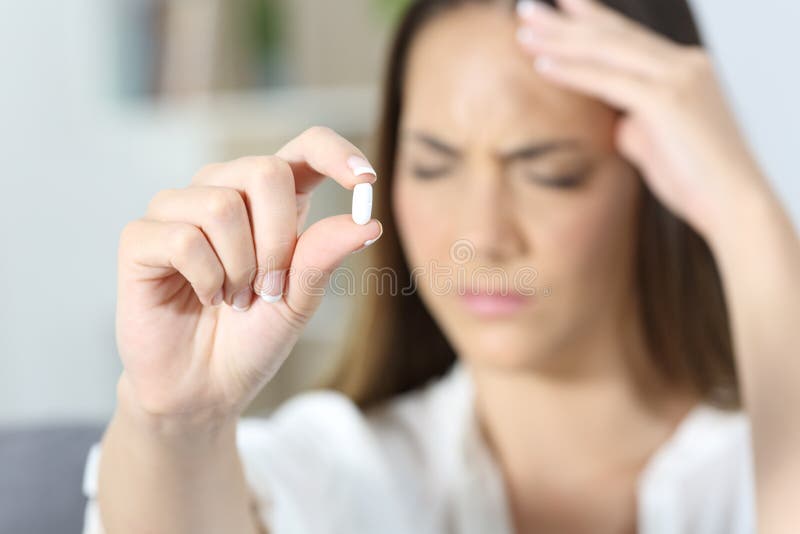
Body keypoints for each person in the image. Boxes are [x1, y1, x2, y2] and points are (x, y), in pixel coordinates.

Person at [81, 0, 800, 532]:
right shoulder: (347, 471)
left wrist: (751, 220)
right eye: (431, 165)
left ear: (660, 186)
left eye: (549, 172)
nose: (480, 237)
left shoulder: (755, 460)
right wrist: (175, 421)